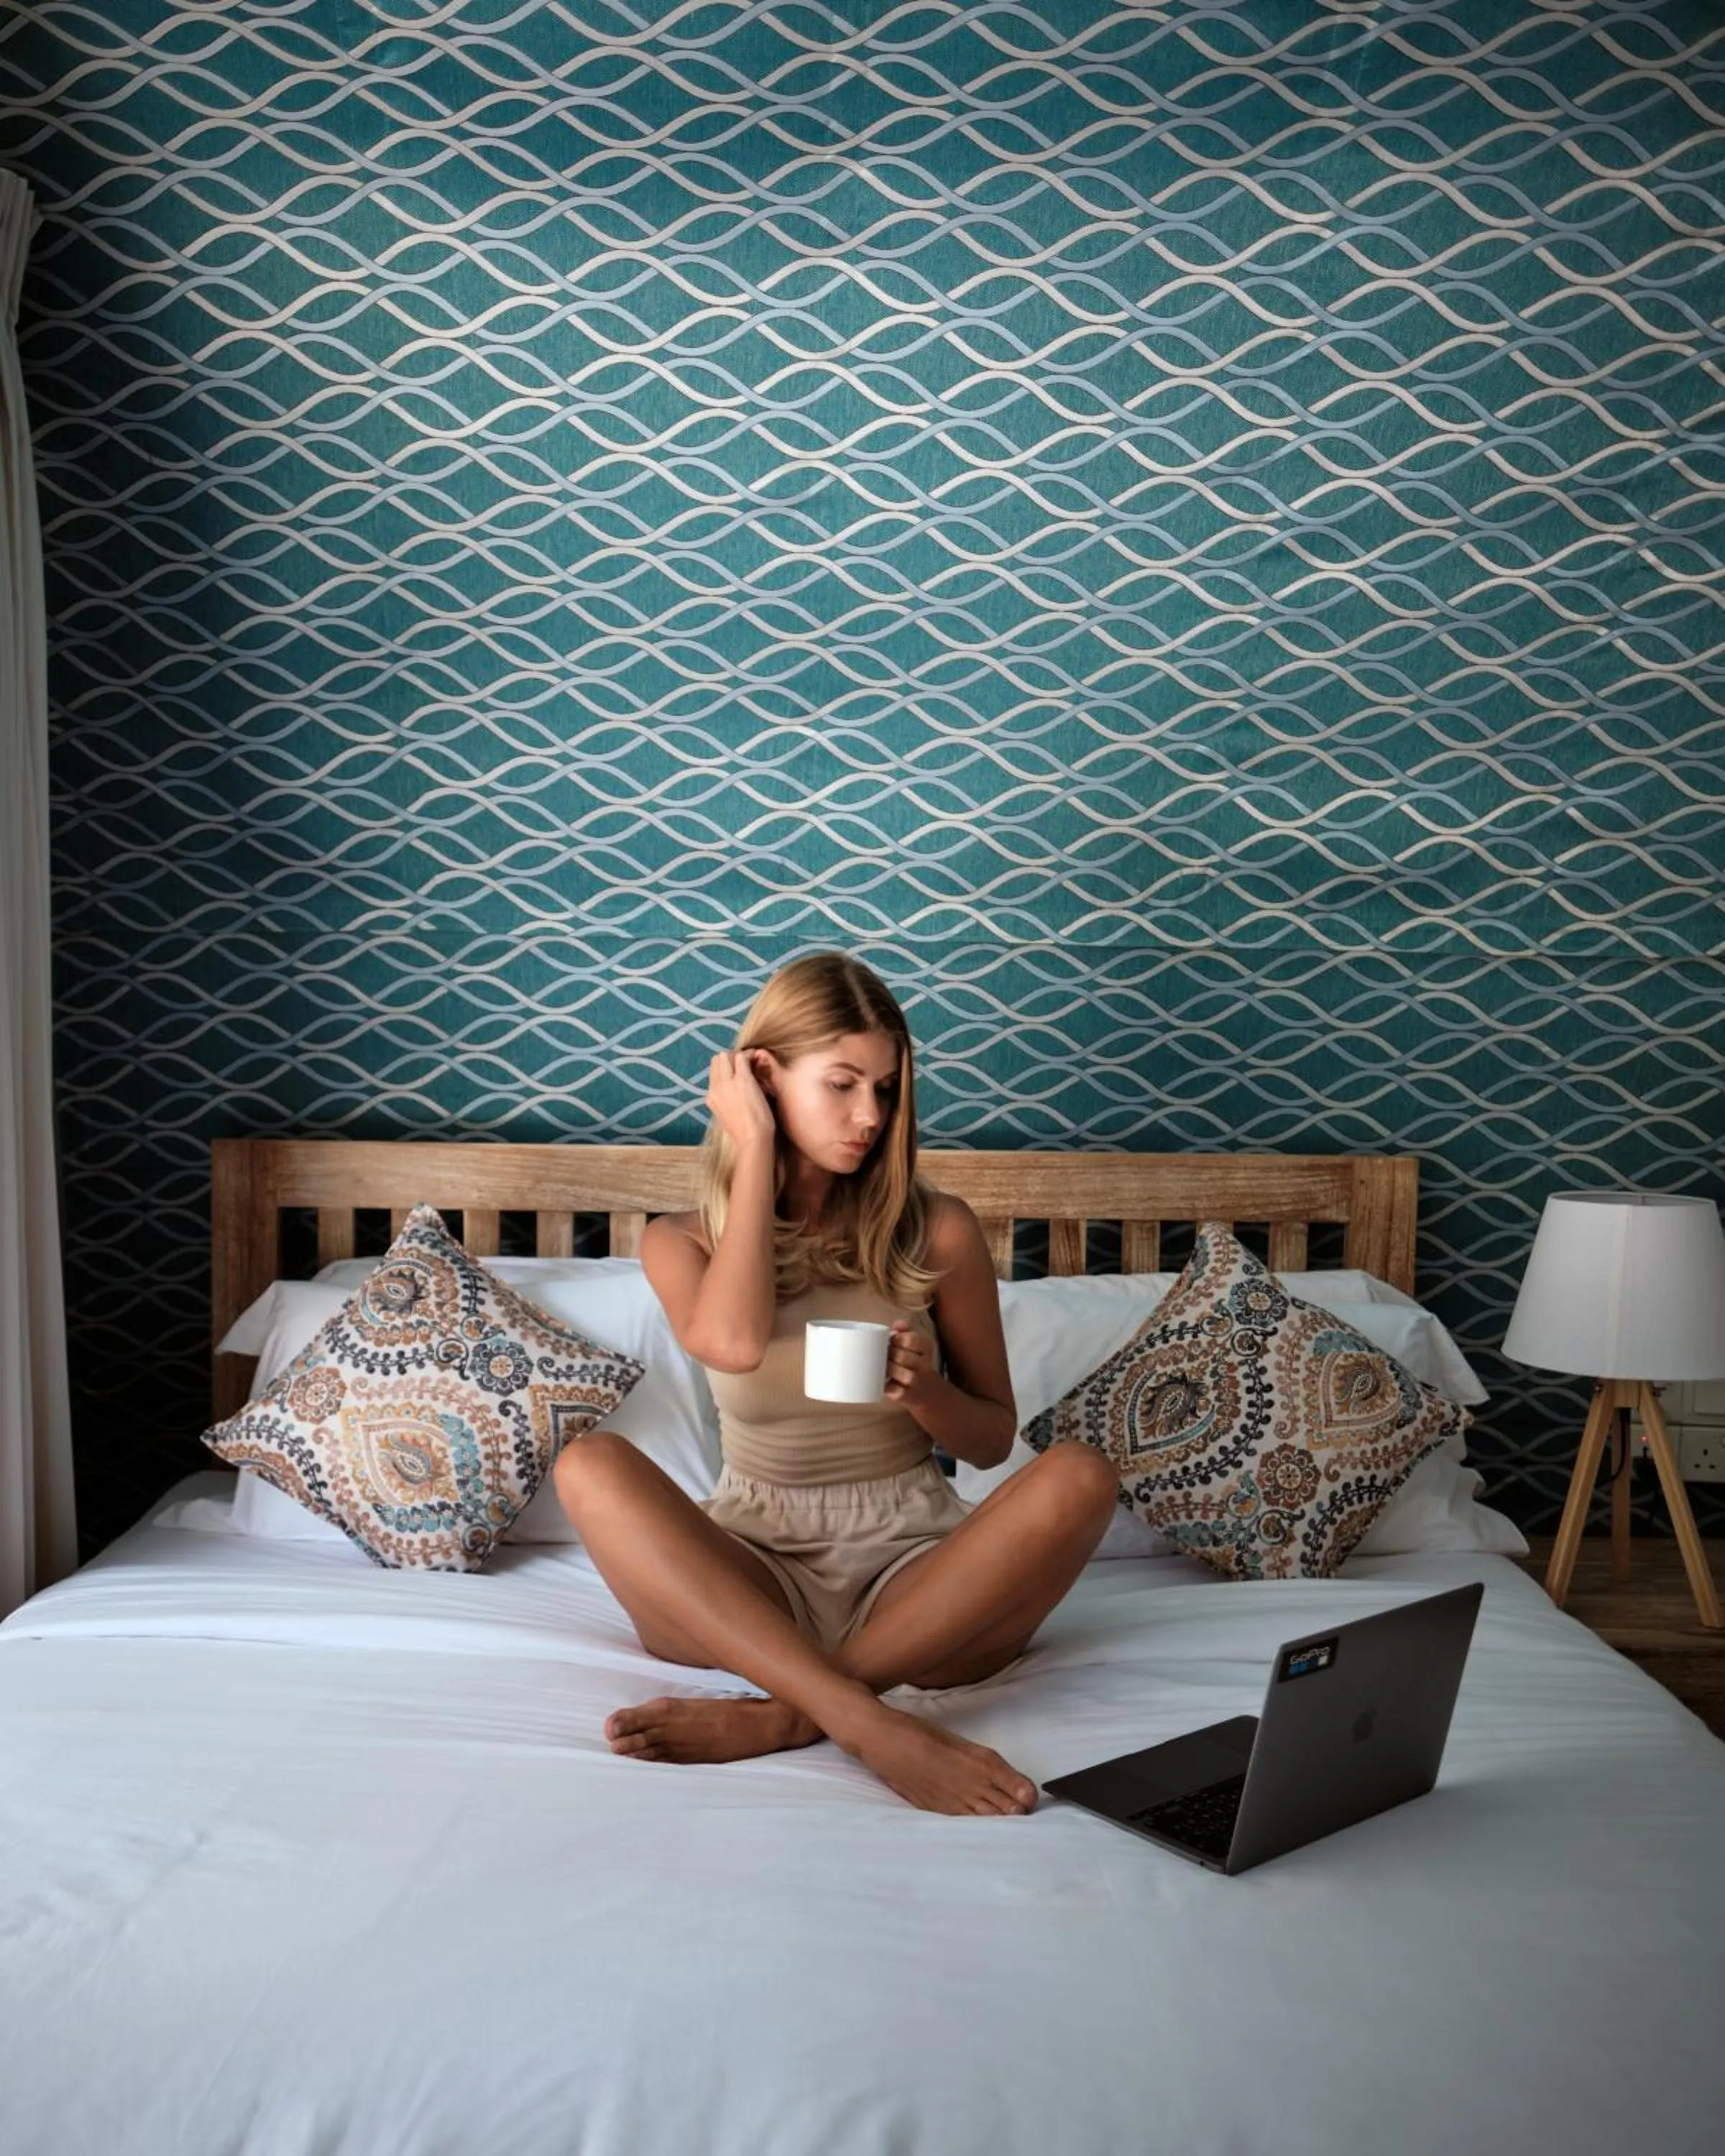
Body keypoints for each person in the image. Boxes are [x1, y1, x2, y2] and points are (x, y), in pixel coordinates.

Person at [553, 951, 1119, 1816]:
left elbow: (991, 1438)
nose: (869, 1117)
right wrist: (757, 1151)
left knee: (1082, 1473)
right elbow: (734, 1344)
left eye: (887, 1090)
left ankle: (792, 1716)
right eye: (843, 1085)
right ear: (765, 1078)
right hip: (747, 1572)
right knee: (588, 1464)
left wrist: (925, 1394)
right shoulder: (682, 1241)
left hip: (917, 1571)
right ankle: (870, 1722)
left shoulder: (940, 1231)